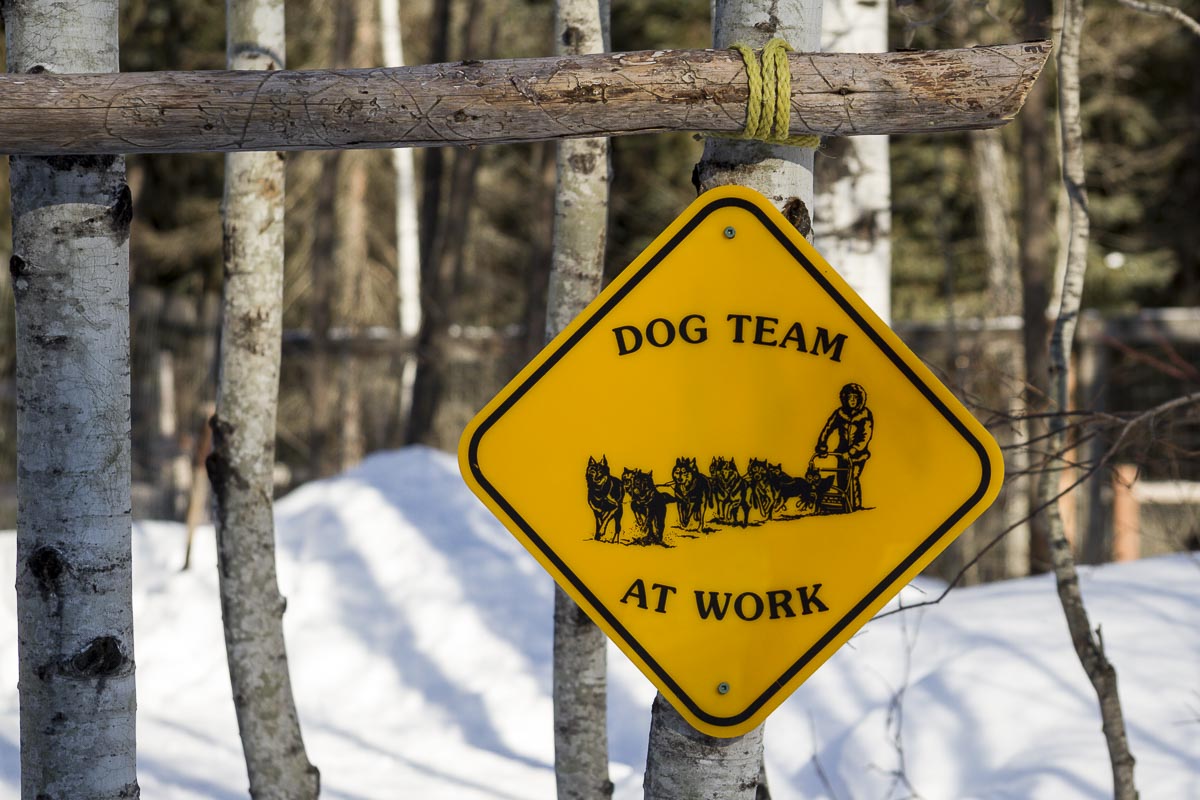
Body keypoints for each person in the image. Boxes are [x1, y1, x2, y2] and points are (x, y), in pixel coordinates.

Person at [815, 383, 873, 510]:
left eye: (855, 397)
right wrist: (822, 446)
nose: (852, 400)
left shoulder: (865, 415)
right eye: (849, 397)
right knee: (841, 479)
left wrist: (852, 451)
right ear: (845, 398)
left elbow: (865, 437)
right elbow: (828, 429)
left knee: (852, 477)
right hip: (841, 454)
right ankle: (843, 506)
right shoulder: (840, 413)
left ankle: (855, 507)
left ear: (860, 399)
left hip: (858, 455)